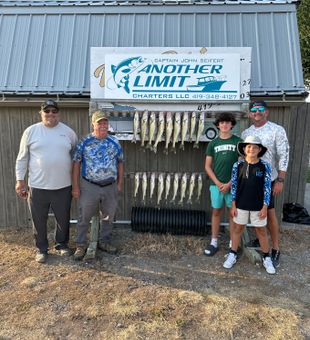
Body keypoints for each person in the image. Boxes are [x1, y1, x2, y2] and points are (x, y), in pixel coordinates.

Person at [15, 99, 78, 263]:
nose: (51, 114)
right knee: (38, 220)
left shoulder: (69, 133)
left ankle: (62, 245)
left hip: (63, 186)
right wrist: (20, 180)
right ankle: (41, 249)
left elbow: (76, 159)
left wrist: (77, 182)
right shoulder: (31, 131)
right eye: (47, 111)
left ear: (59, 113)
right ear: (41, 113)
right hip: (37, 186)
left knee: (63, 218)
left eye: (54, 111)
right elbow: (22, 158)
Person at [241, 101, 289, 268]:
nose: (257, 112)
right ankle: (260, 239)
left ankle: (275, 248)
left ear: (267, 112)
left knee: (269, 213)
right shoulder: (246, 132)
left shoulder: (277, 130)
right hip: (250, 180)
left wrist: (280, 180)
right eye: (253, 110)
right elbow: (242, 156)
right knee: (255, 213)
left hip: (268, 180)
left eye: (260, 109)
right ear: (250, 114)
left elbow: (284, 155)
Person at [72, 110, 124, 261]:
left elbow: (120, 162)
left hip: (110, 186)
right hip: (89, 186)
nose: (103, 125)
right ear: (93, 124)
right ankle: (81, 245)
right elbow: (76, 163)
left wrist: (119, 183)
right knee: (84, 216)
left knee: (108, 216)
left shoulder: (115, 142)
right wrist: (75, 186)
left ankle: (104, 241)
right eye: (99, 122)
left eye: (105, 123)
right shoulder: (85, 142)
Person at [223, 135, 276, 274]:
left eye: (254, 147)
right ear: (244, 149)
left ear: (259, 149)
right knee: (238, 229)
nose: (251, 149)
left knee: (261, 231)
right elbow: (234, 185)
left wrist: (265, 206)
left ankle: (266, 257)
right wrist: (233, 204)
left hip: (258, 206)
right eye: (248, 146)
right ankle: (232, 253)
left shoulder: (264, 166)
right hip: (241, 204)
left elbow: (267, 187)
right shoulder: (238, 165)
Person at [204, 112, 242, 256]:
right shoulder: (213, 143)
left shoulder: (238, 141)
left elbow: (242, 165)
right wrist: (219, 183)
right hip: (216, 185)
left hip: (233, 185)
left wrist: (230, 183)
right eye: (222, 122)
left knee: (232, 213)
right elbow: (207, 166)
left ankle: (233, 244)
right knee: (216, 211)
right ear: (218, 125)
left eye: (227, 122)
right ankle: (214, 241)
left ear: (232, 124)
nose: (225, 125)